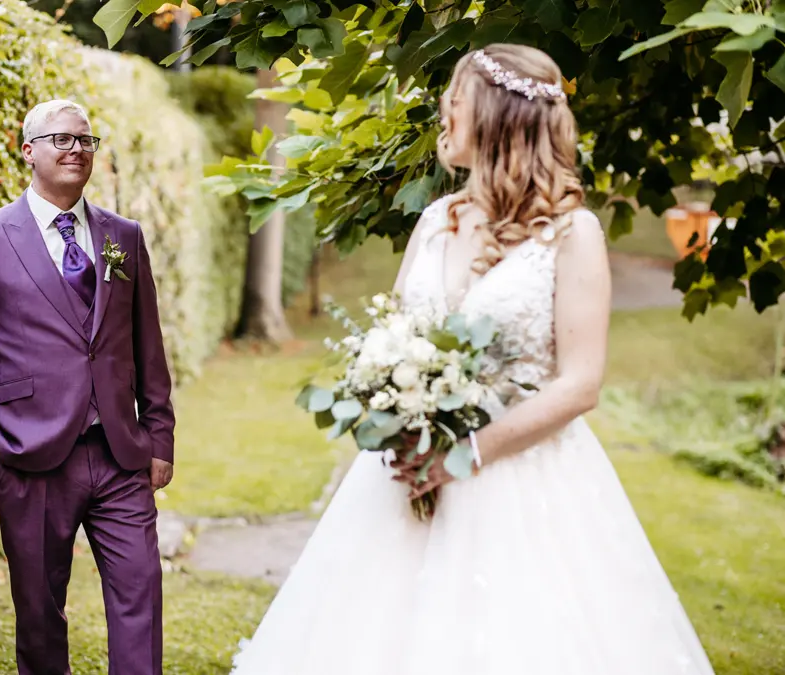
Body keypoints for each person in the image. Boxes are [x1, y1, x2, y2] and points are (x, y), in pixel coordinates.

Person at [228, 44, 716, 675]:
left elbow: (580, 385)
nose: (443, 109)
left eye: (453, 97)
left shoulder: (573, 235)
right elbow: (392, 338)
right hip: (405, 479)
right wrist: (397, 416)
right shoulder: (434, 221)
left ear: (490, 114)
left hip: (522, 482)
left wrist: (464, 456)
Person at [0, 99, 175, 675]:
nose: (76, 150)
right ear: (29, 151)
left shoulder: (124, 237)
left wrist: (159, 437)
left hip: (120, 454)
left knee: (141, 594)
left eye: (86, 141)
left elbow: (148, 345)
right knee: (40, 616)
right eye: (61, 139)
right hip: (31, 458)